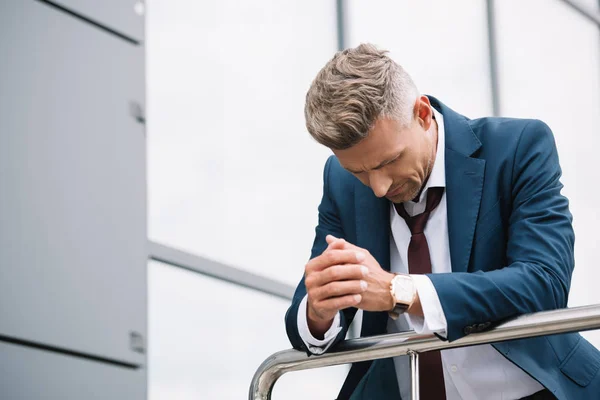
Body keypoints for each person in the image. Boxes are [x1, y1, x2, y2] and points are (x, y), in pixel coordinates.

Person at [284, 43, 600, 400]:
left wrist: (398, 292)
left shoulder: (518, 147)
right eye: (358, 171)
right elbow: (306, 324)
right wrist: (319, 311)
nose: (378, 187)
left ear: (422, 114)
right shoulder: (340, 184)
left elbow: (544, 283)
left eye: (389, 161)